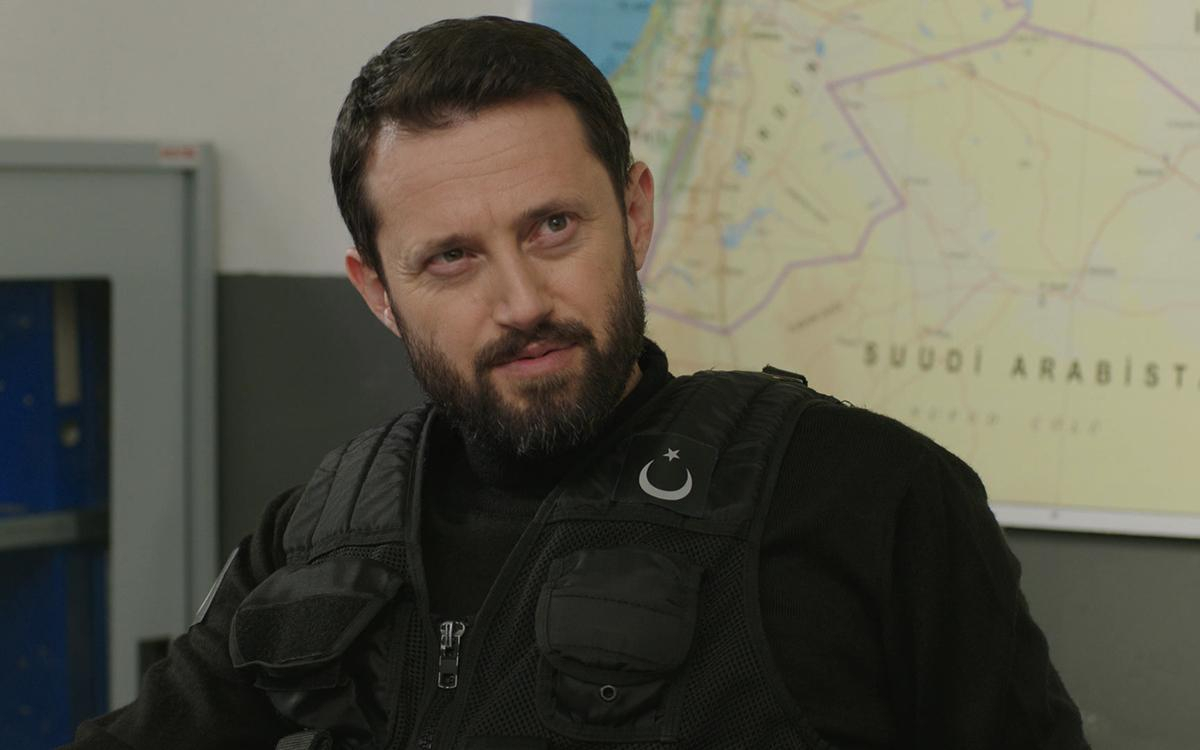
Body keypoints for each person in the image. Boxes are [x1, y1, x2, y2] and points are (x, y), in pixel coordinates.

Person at [67, 15, 1090, 750]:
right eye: (452, 258)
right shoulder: (320, 532)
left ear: (634, 216)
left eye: (553, 227)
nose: (521, 302)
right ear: (377, 290)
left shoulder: (869, 497)